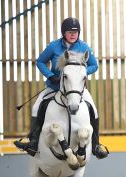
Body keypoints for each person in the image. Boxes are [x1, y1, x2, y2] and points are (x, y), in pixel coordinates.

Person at [14, 17, 109, 159]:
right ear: (63, 32)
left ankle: (96, 145)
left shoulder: (84, 47)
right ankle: (33, 142)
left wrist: (80, 74)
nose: (73, 34)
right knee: (36, 107)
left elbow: (94, 65)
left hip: (75, 89)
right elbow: (40, 61)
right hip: (54, 87)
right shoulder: (53, 46)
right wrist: (51, 75)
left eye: (76, 32)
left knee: (93, 110)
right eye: (70, 31)